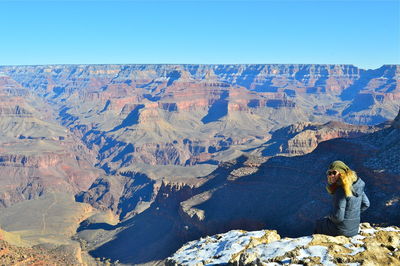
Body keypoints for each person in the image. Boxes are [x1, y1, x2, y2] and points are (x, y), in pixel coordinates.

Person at [314, 160, 370, 237]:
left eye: (334, 173)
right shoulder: (357, 185)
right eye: (329, 173)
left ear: (341, 173)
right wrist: (352, 214)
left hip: (341, 231)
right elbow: (366, 204)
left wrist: (329, 216)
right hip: (354, 229)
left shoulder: (340, 191)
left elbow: (338, 218)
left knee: (319, 224)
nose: (331, 175)